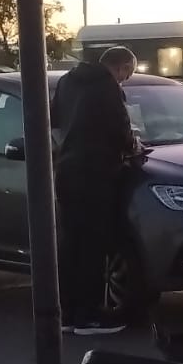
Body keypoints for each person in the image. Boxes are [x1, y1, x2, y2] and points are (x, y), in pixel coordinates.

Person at [51, 45, 140, 335]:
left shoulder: (66, 81)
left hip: (66, 171)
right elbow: (120, 128)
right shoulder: (107, 87)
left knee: (70, 245)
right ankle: (89, 316)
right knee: (92, 246)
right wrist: (133, 146)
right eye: (127, 75)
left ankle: (67, 314)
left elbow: (54, 122)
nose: (125, 80)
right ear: (122, 67)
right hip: (96, 174)